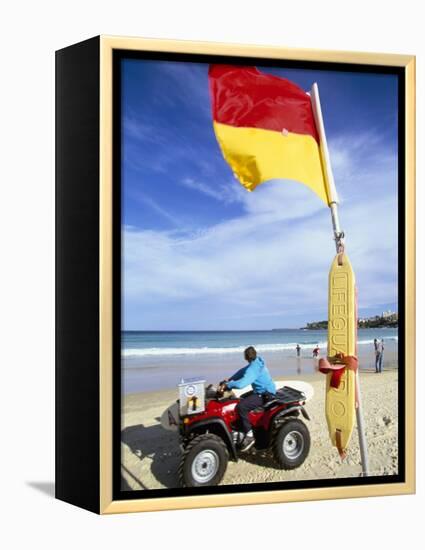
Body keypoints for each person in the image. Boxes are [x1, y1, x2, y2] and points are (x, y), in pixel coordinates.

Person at [219, 346, 276, 452]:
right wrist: (230, 379)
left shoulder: (253, 369)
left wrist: (228, 385)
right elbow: (242, 371)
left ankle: (249, 436)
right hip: (264, 391)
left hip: (265, 394)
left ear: (246, 357)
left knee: (241, 407)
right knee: (241, 399)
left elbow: (241, 384)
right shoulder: (257, 362)